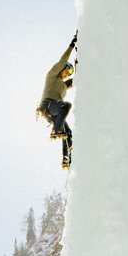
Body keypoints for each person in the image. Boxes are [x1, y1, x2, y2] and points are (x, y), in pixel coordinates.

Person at [38, 33, 77, 168]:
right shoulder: (52, 75)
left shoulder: (63, 84)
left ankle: (66, 159)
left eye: (70, 73)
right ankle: (56, 129)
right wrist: (72, 46)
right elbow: (62, 60)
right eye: (67, 70)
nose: (67, 74)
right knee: (66, 105)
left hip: (54, 114)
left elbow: (74, 81)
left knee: (68, 133)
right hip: (48, 105)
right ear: (62, 69)